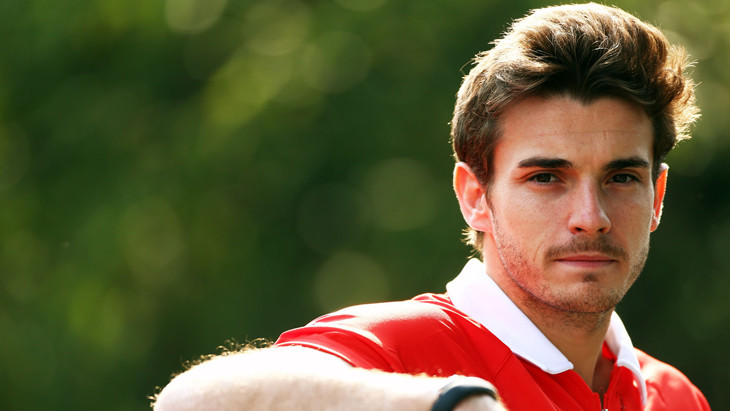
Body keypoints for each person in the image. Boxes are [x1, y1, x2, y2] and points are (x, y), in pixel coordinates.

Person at [153, 3, 710, 410]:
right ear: (475, 198)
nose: (591, 216)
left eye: (621, 177)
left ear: (657, 198)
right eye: (545, 177)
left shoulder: (677, 396)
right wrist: (451, 404)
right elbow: (191, 401)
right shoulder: (402, 349)